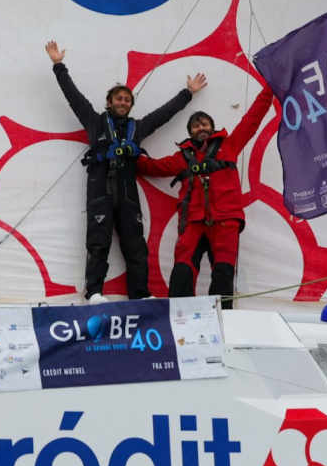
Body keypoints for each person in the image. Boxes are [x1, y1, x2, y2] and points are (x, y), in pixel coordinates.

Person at [45, 40, 207, 303]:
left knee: (136, 247)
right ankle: (94, 292)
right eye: (119, 98)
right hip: (100, 192)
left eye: (127, 100)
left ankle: (140, 295)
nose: (123, 102)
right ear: (109, 102)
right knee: (98, 243)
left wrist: (187, 93)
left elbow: (164, 114)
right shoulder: (95, 122)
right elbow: (72, 96)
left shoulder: (137, 127)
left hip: (128, 196)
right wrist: (58, 65)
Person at [138, 85, 274, 307]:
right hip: (192, 221)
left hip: (226, 221)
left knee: (223, 272)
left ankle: (223, 321)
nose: (201, 127)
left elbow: (253, 117)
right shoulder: (182, 157)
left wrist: (269, 88)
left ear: (212, 127)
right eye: (196, 125)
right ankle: (179, 318)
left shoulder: (230, 145)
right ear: (190, 132)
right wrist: (131, 154)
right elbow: (153, 167)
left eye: (204, 123)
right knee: (182, 270)